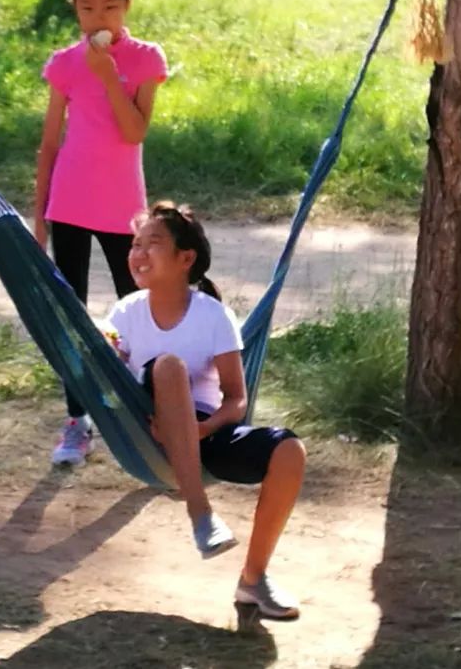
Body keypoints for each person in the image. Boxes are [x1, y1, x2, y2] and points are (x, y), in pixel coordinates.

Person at [105, 202, 307, 619]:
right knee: (169, 366)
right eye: (135, 244)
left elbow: (236, 398)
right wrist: (102, 359)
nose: (138, 254)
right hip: (147, 431)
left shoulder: (214, 317)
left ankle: (254, 581)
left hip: (202, 434)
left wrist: (202, 430)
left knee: (289, 451)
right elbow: (108, 384)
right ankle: (201, 514)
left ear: (185, 258)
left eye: (152, 244)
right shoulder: (125, 314)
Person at [35, 0, 168, 466]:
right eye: (87, 8)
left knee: (137, 312)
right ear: (75, 11)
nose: (99, 18)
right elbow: (49, 145)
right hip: (68, 201)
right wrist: (39, 216)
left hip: (123, 211)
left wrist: (109, 76)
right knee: (71, 315)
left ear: (127, 7)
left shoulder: (145, 59)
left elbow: (134, 132)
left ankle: (147, 412)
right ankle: (77, 420)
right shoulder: (64, 63)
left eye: (110, 7)